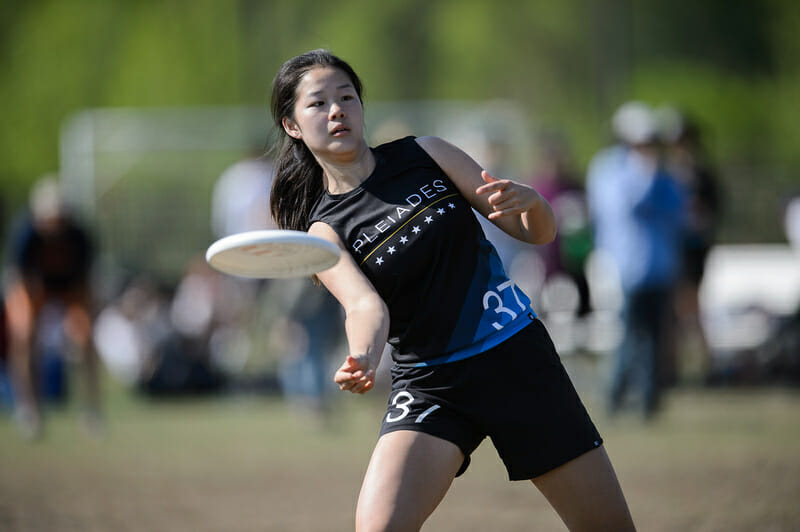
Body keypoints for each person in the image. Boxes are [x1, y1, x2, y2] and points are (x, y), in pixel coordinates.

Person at [268, 49, 634, 531]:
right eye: (318, 104)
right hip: (429, 384)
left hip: (515, 359)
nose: (337, 110)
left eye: (347, 97)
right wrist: (361, 356)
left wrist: (535, 203)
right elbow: (364, 305)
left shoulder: (425, 153)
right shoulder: (325, 230)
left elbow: (535, 231)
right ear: (292, 124)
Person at [586, 102, 686, 420]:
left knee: (656, 338)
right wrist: (645, 175)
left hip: (660, 266)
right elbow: (621, 208)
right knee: (628, 335)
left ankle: (649, 403)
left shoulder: (663, 172)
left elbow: (678, 211)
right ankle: (615, 397)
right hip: (624, 266)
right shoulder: (609, 168)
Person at [2, 176, 102, 438]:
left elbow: (85, 283)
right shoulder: (25, 236)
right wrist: (33, 317)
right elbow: (20, 280)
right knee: (23, 337)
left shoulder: (79, 238)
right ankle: (28, 409)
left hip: (70, 289)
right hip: (34, 287)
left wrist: (80, 322)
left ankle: (91, 409)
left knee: (85, 337)